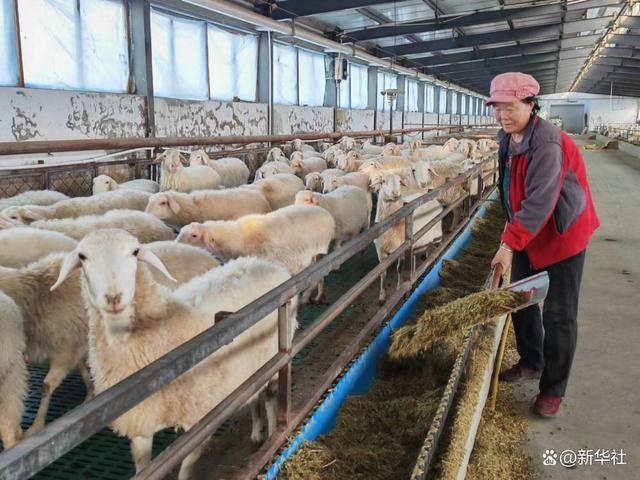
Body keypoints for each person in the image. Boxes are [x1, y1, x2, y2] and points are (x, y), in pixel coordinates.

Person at [487, 72, 600, 418]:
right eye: (497, 108)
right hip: (527, 233)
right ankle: (532, 360)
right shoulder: (507, 139)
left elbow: (540, 202)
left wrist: (508, 245)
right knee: (521, 301)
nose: (503, 115)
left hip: (563, 236)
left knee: (559, 314)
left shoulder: (548, 142)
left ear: (531, 104)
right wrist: (511, 231)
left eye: (511, 107)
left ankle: (553, 389)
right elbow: (510, 190)